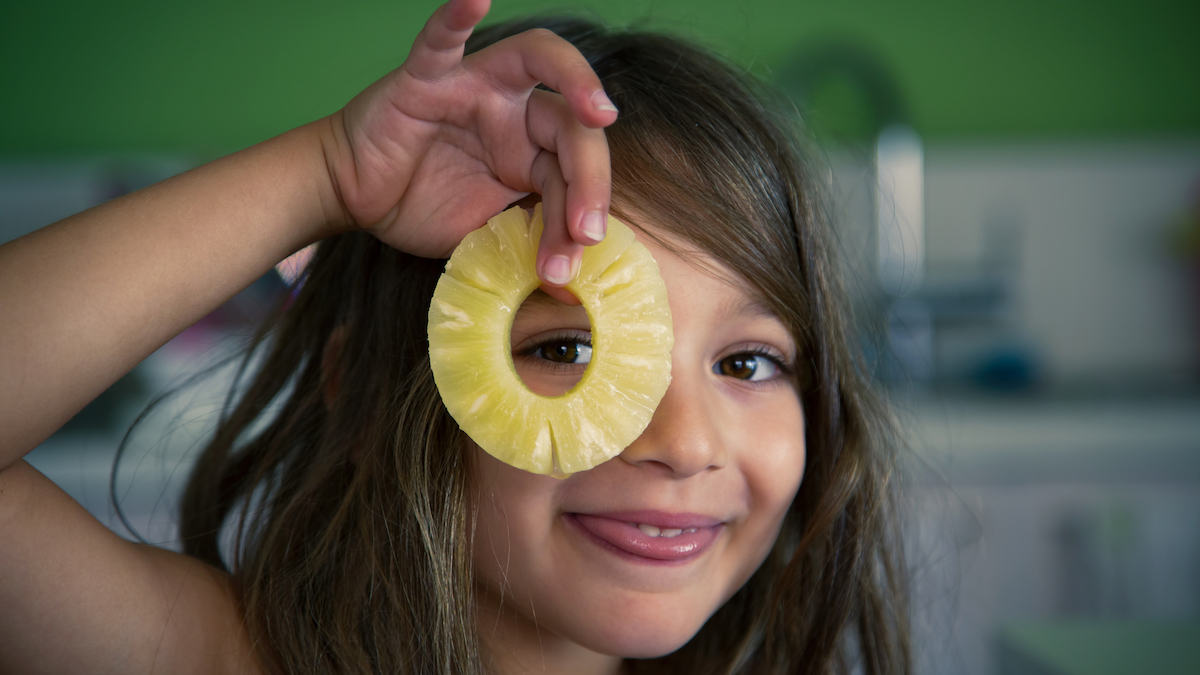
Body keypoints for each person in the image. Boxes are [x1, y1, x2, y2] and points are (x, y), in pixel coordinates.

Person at [0, 0, 909, 672]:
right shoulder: (221, 657)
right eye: (564, 346)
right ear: (360, 392)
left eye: (747, 361)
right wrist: (324, 174)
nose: (684, 444)